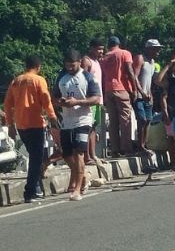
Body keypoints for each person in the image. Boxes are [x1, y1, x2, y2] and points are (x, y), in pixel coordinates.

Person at [3, 55, 59, 203]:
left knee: (34, 157)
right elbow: (46, 100)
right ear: (38, 67)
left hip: (21, 125)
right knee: (36, 158)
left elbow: (7, 104)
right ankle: (30, 191)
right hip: (36, 124)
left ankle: (36, 187)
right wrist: (52, 117)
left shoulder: (16, 81)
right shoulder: (38, 80)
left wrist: (10, 124)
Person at [52, 50, 101, 201]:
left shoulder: (87, 77)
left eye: (72, 65)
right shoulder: (62, 76)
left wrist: (77, 102)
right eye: (67, 65)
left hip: (83, 120)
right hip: (67, 121)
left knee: (79, 153)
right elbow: (54, 97)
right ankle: (83, 176)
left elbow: (96, 99)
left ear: (79, 62)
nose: (70, 68)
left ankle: (78, 189)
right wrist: (60, 102)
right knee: (66, 154)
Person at [101, 36, 142, 156]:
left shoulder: (104, 57)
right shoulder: (124, 53)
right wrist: (134, 89)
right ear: (119, 44)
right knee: (125, 120)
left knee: (113, 121)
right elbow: (129, 70)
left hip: (108, 90)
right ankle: (127, 148)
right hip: (121, 88)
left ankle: (115, 149)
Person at [133, 39, 163, 152]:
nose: (158, 51)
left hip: (148, 96)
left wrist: (150, 93)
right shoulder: (141, 59)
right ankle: (140, 145)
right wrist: (141, 92)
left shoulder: (152, 62)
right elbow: (134, 76)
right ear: (149, 49)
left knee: (148, 120)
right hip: (139, 96)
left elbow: (150, 80)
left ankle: (144, 144)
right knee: (142, 120)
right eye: (156, 49)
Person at [81, 38, 105, 165]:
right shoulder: (86, 61)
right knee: (88, 128)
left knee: (94, 127)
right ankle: (86, 156)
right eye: (98, 49)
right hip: (90, 100)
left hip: (98, 100)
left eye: (102, 49)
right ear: (91, 48)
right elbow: (83, 80)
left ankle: (93, 155)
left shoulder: (97, 62)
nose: (101, 51)